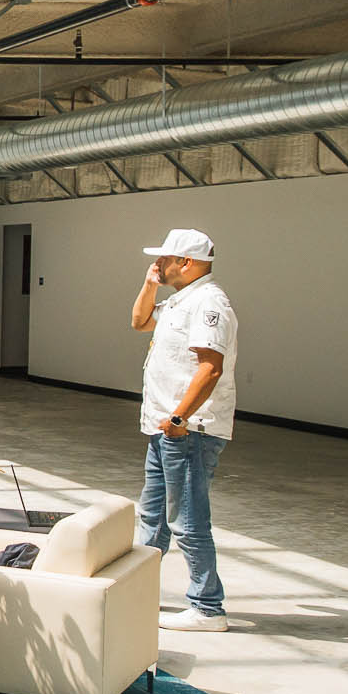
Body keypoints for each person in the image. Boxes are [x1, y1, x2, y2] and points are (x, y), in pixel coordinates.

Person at [130, 228, 238, 633]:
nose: (158, 264)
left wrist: (178, 420)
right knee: (153, 517)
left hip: (187, 430)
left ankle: (208, 608)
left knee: (187, 520)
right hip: (164, 428)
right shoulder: (180, 300)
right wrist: (148, 283)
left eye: (165, 259)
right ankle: (136, 592)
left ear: (187, 263)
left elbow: (211, 367)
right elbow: (140, 321)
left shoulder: (210, 303)